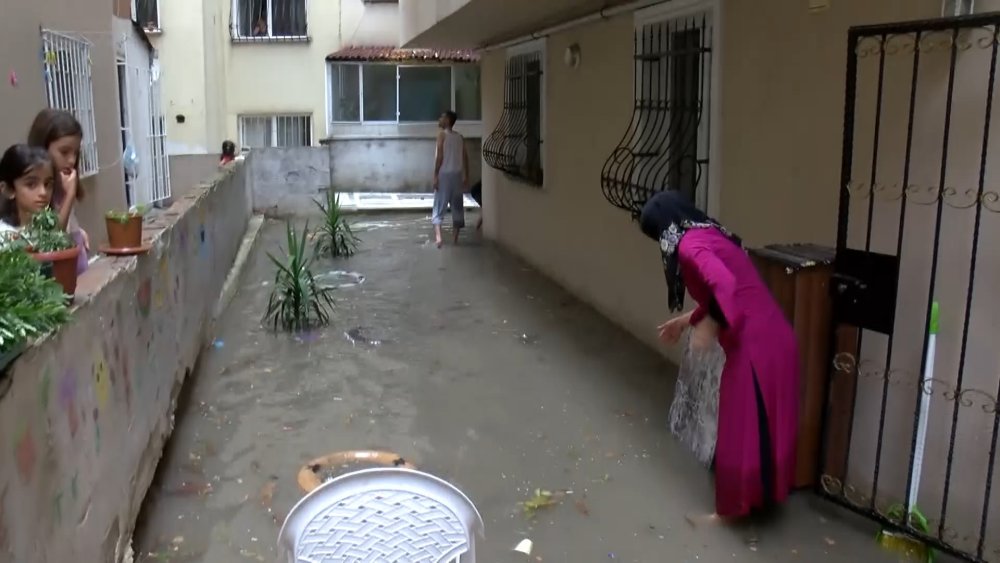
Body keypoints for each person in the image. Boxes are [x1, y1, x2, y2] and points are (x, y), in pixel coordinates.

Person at [639, 190, 799, 521]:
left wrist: (709, 324)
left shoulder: (688, 245)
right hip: (775, 340)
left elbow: (724, 284)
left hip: (755, 347)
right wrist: (686, 321)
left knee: (739, 426)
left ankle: (729, 512)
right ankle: (759, 501)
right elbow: (728, 289)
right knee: (762, 425)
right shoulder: (706, 232)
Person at [28, 109, 88, 274]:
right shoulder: (39, 195)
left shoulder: (62, 185)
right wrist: (69, 196)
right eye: (64, 152)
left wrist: (79, 233)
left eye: (75, 153)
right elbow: (52, 239)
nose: (72, 160)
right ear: (43, 149)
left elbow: (66, 224)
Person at [431, 110, 468, 248]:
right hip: (457, 175)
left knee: (439, 205)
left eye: (442, 117)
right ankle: (455, 240)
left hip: (444, 175)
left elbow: (439, 156)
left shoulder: (442, 136)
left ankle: (439, 238)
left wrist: (435, 175)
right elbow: (465, 158)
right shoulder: (460, 137)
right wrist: (466, 176)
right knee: (457, 207)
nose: (439, 119)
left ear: (447, 120)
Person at [0, 144, 55, 231]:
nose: (43, 192)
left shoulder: (48, 230)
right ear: (9, 190)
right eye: (31, 184)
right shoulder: (3, 235)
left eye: (48, 184)